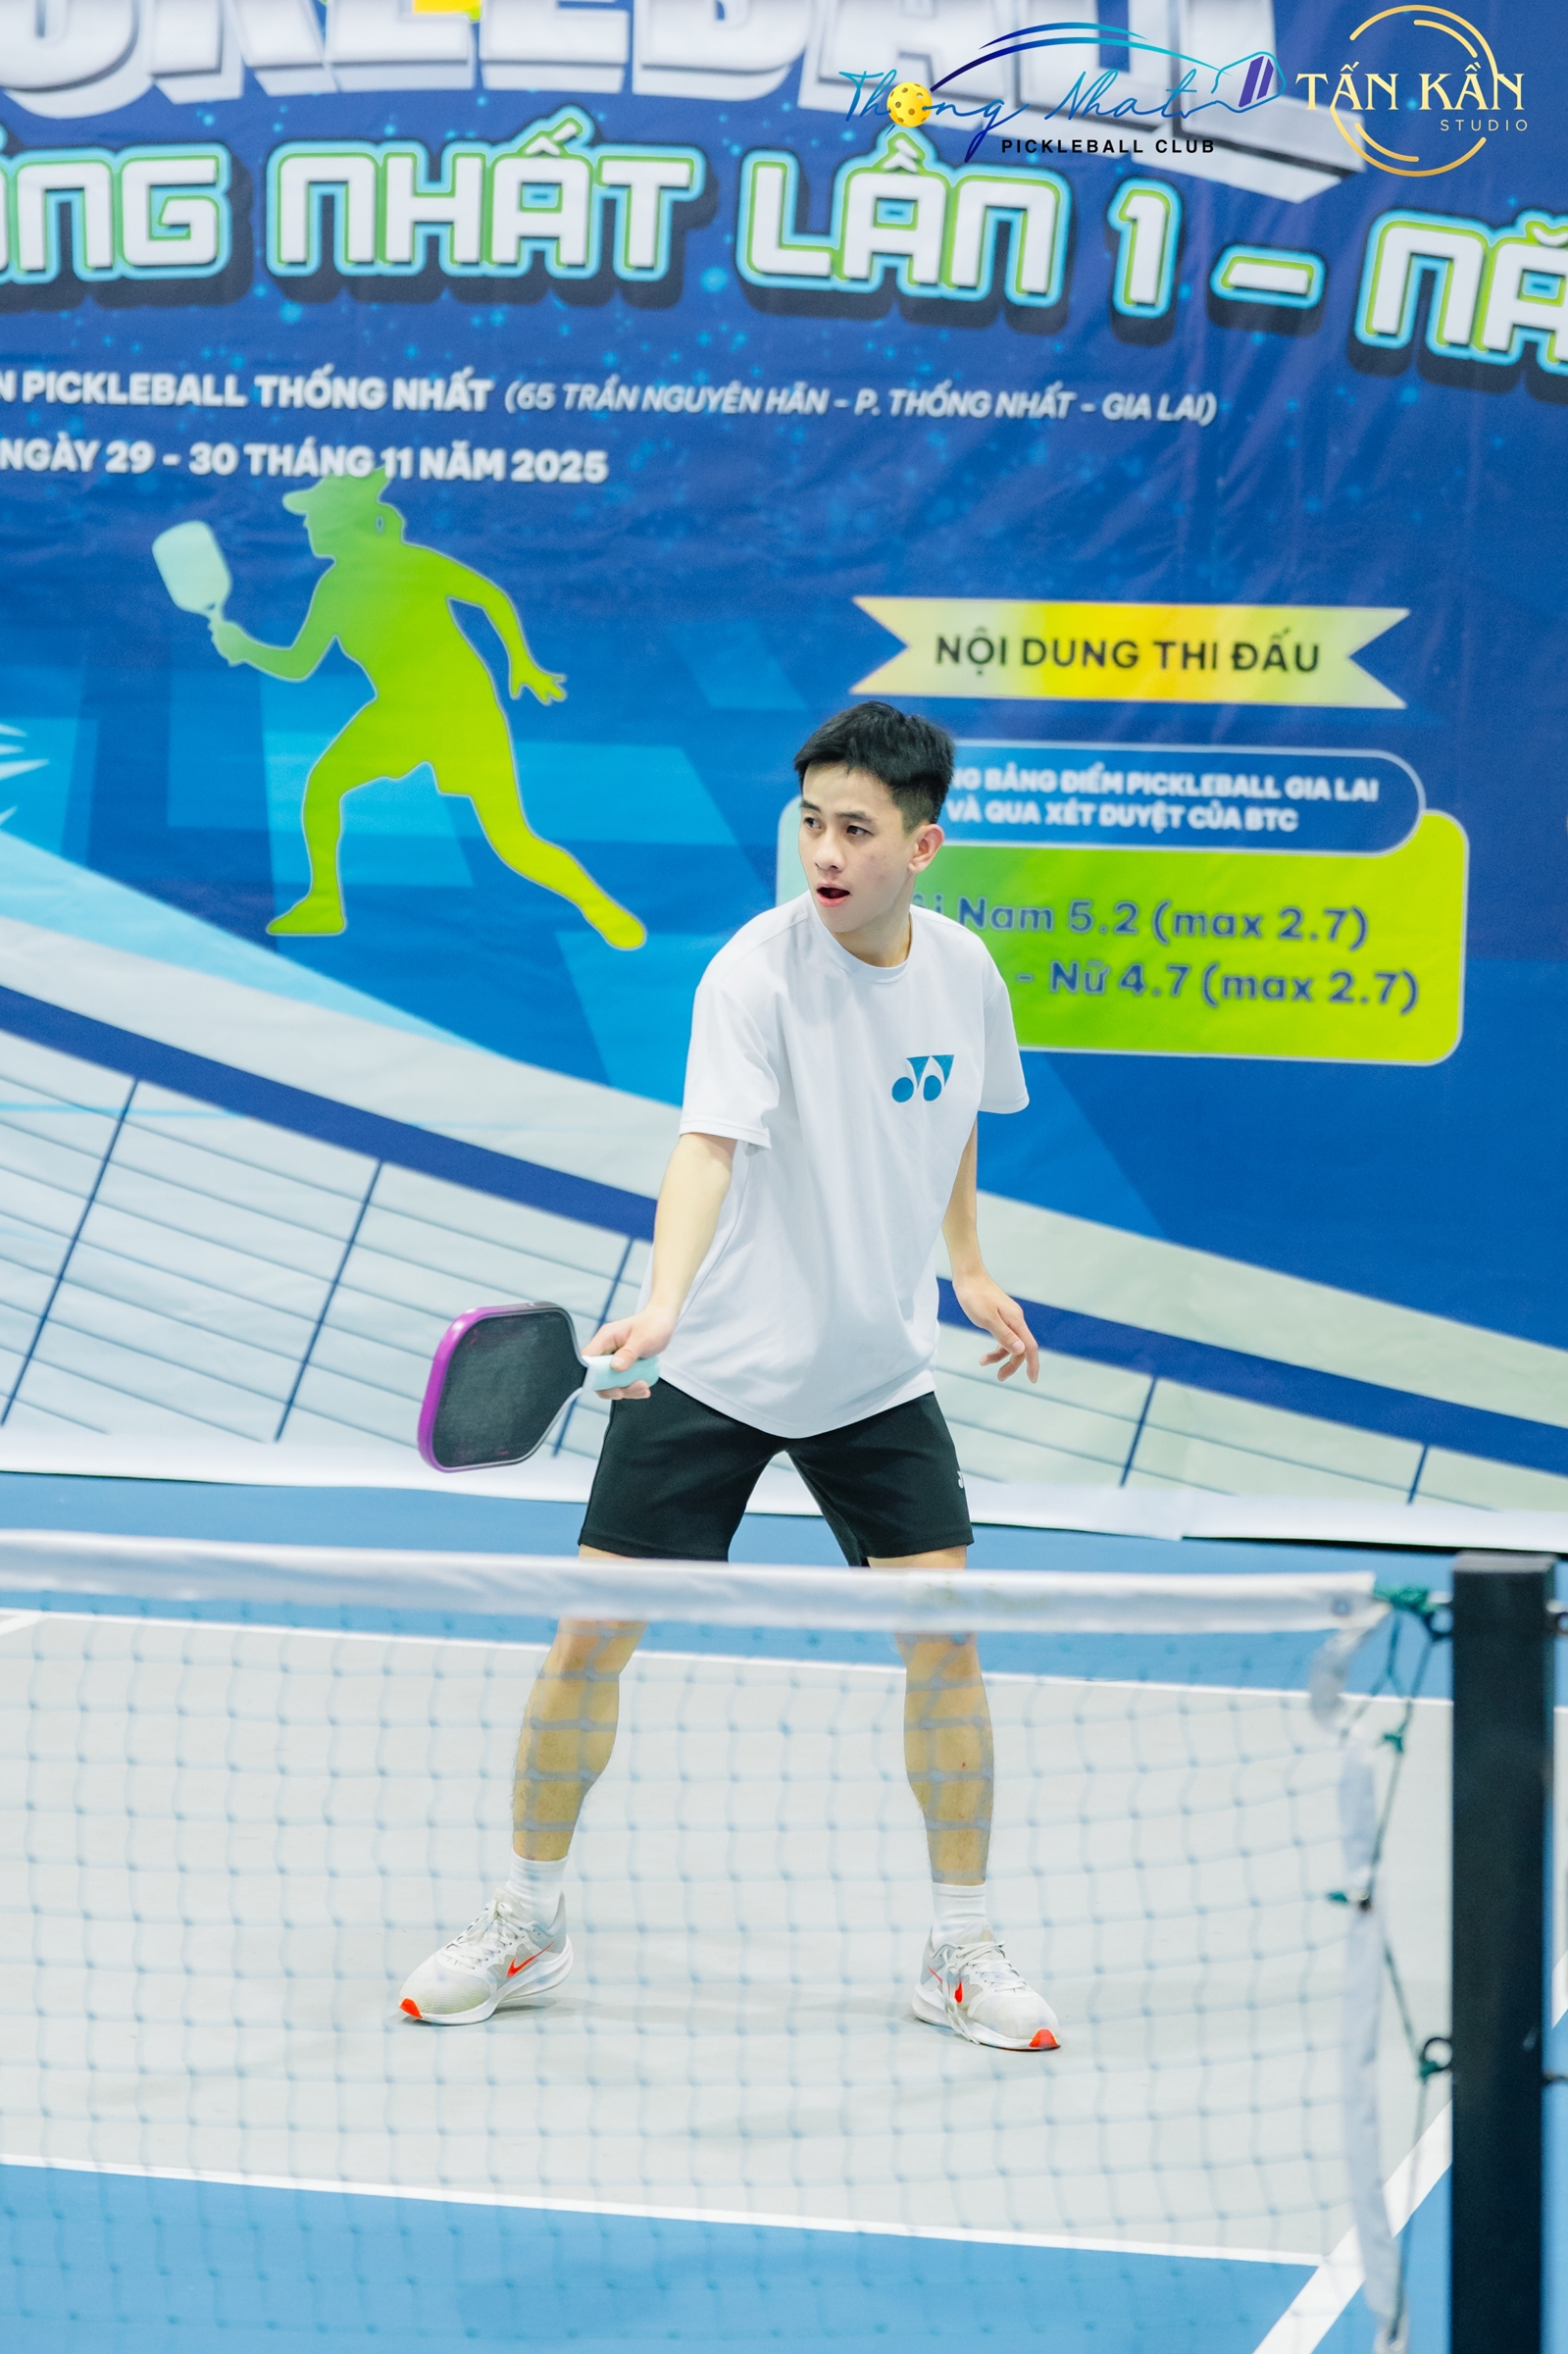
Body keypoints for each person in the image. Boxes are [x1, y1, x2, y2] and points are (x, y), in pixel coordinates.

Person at [398, 700, 1060, 2053]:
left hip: (876, 1375)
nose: (825, 852)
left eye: (856, 830)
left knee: (944, 1646)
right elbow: (705, 1147)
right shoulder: (753, 973)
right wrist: (662, 1302)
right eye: (810, 823)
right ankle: (528, 1919)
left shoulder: (964, 973)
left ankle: (958, 1946)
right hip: (714, 1368)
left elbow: (945, 1123)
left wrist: (967, 1264)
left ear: (922, 845)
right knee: (591, 1638)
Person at [209, 470, 644, 948]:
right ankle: (325, 905)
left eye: (314, 516)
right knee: (323, 788)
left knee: (511, 840)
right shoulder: (332, 588)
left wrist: (521, 661)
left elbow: (489, 596)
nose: (307, 525)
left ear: (341, 522)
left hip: (463, 712)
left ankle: (600, 908)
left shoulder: (410, 562)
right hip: (399, 713)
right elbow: (298, 664)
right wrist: (246, 648)